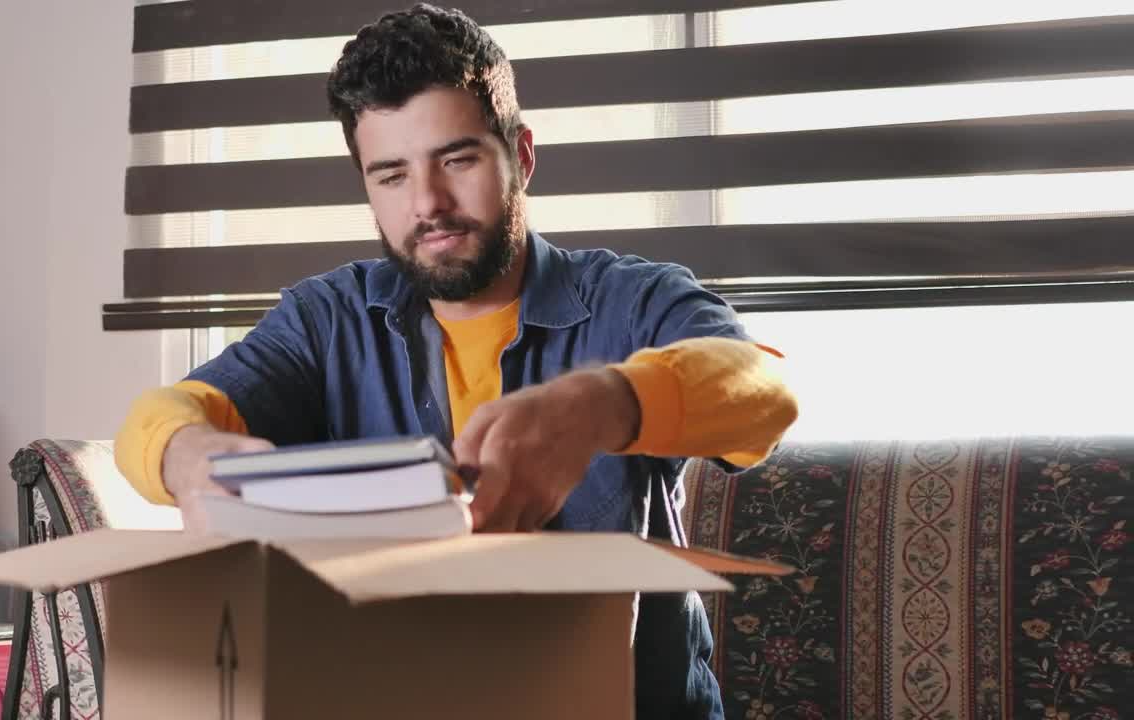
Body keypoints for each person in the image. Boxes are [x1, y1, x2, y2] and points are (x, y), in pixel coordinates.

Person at [115, 4, 798, 718]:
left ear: (522, 156)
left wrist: (603, 404)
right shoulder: (327, 321)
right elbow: (160, 418)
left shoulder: (631, 300)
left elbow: (766, 392)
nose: (428, 204)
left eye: (457, 159)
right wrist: (192, 461)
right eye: (391, 175)